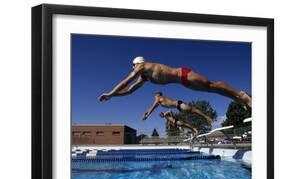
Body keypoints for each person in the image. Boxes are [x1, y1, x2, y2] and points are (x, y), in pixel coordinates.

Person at [98, 56, 251, 108]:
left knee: (211, 85)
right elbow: (129, 90)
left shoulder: (142, 65)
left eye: (133, 66)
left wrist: (110, 92)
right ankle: (237, 98)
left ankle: (241, 95)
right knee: (210, 90)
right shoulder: (144, 77)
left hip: (184, 73)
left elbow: (126, 81)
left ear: (137, 63)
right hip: (183, 83)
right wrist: (113, 96)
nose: (133, 68)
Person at [142, 91, 213, 124]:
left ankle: (207, 117)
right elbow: (153, 107)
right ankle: (205, 119)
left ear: (157, 95)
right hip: (178, 106)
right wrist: (147, 112)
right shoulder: (160, 100)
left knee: (193, 110)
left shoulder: (158, 98)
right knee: (192, 112)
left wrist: (147, 115)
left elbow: (153, 106)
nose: (154, 97)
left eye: (154, 96)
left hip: (178, 104)